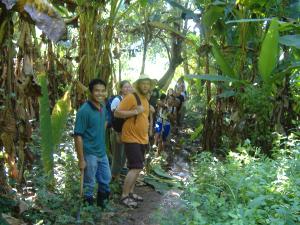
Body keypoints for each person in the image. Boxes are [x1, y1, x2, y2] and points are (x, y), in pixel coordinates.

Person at [114, 74, 154, 208]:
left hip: (142, 139)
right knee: (135, 167)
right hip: (131, 137)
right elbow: (117, 113)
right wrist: (134, 112)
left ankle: (130, 192)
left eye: (148, 84)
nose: (145, 86)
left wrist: (148, 133)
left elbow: (145, 118)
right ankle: (124, 196)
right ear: (138, 85)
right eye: (143, 83)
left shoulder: (145, 99)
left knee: (137, 167)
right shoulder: (131, 97)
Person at [74, 78, 111, 208]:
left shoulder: (102, 107)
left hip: (102, 152)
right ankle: (87, 212)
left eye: (102, 91)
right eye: (97, 91)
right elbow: (78, 136)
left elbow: (104, 123)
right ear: (90, 92)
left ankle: (102, 208)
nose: (100, 94)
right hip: (89, 153)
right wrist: (81, 159)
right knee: (89, 184)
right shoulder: (84, 110)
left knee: (106, 180)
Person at [110, 80, 132, 181]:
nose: (127, 89)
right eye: (125, 87)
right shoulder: (117, 100)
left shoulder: (130, 99)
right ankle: (114, 177)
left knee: (124, 155)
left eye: (129, 87)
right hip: (117, 131)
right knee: (117, 155)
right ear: (121, 89)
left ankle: (118, 174)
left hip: (126, 132)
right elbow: (115, 115)